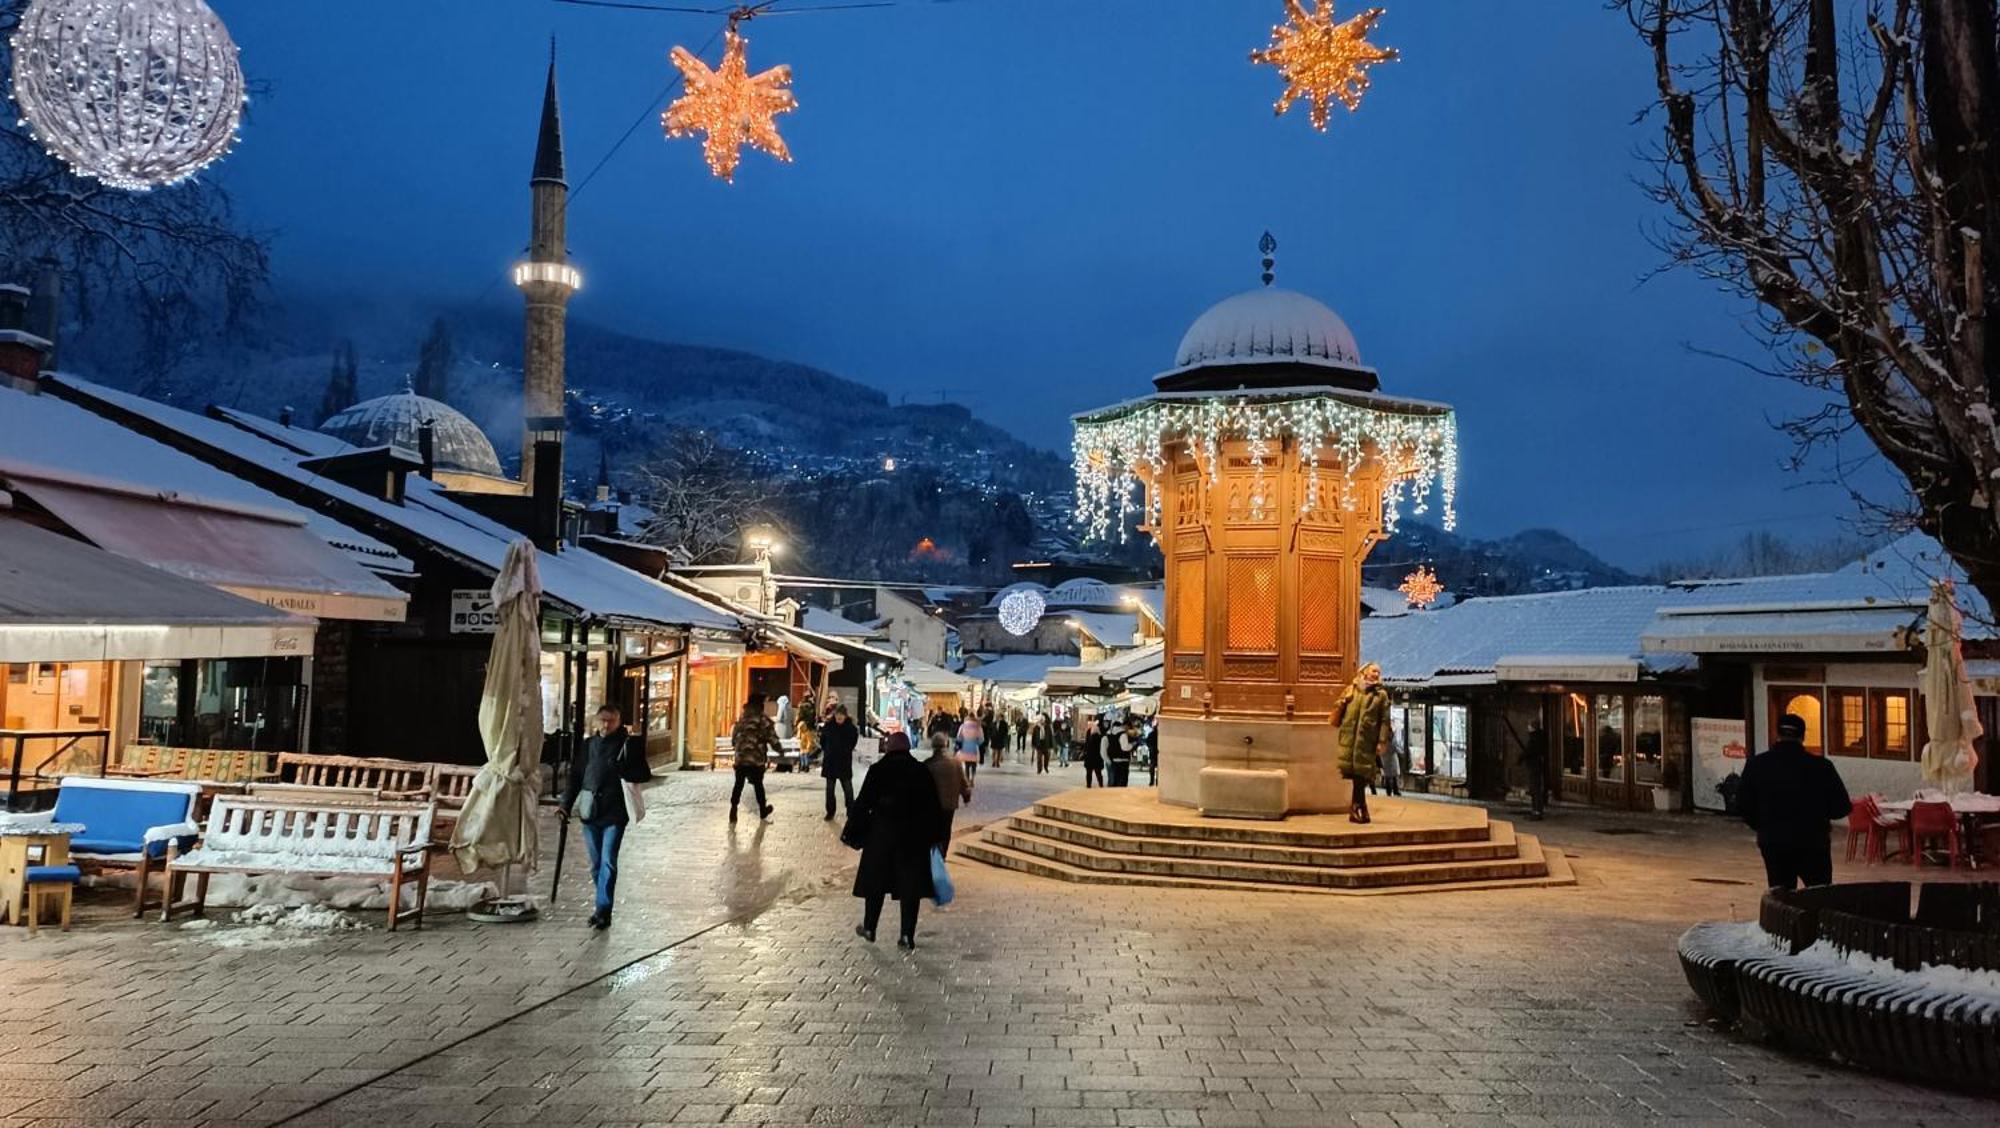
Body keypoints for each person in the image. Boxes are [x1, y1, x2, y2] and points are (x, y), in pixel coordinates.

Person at [1737, 713, 1852, 889]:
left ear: (1777, 734)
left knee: (1782, 897)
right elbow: (1842, 807)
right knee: (1818, 895)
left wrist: (1763, 825)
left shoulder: (1757, 765)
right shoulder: (1821, 767)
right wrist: (1818, 816)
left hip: (1774, 842)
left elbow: (1743, 805)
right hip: (1813, 842)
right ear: (1803, 736)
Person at [851, 729, 943, 949]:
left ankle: (870, 927)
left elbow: (863, 803)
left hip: (881, 835)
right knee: (910, 888)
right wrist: (935, 836)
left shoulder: (878, 770)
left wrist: (854, 834)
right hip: (913, 837)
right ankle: (906, 936)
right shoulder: (920, 771)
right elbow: (932, 806)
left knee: (876, 884)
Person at [562, 704, 644, 929]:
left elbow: (643, 773)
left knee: (608, 861)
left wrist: (626, 766)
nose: (606, 725)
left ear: (618, 722)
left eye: (611, 721)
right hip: (590, 810)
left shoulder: (626, 745)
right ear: (597, 721)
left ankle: (603, 909)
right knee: (596, 863)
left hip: (615, 813)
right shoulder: (589, 745)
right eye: (603, 720)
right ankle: (601, 906)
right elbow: (576, 776)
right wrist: (565, 805)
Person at [1334, 663, 1391, 824]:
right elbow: (1339, 707)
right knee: (1355, 775)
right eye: (1373, 670)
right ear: (1365, 671)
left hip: (1367, 740)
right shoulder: (1352, 689)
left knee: (1362, 775)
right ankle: (1360, 807)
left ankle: (1356, 807)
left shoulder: (1381, 695)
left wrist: (1381, 741)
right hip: (1350, 739)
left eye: (1378, 672)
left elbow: (1385, 720)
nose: (1376, 674)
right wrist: (1343, 702)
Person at [730, 693, 778, 824]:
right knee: (758, 784)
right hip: (755, 758)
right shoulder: (762, 719)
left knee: (738, 784)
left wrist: (738, 747)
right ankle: (762, 809)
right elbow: (772, 737)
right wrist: (779, 749)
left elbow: (734, 737)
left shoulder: (743, 718)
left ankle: (733, 809)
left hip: (741, 757)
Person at [926, 731, 973, 856]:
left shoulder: (928, 764)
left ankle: (933, 855)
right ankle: (942, 855)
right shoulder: (956, 763)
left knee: (932, 830)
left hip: (932, 805)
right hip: (949, 804)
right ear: (946, 745)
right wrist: (966, 797)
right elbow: (964, 783)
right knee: (946, 830)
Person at [819, 703, 859, 821]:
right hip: (830, 761)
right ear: (834, 715)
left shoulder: (851, 728)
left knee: (847, 788)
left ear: (845, 716)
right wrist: (828, 750)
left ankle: (850, 811)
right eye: (837, 715)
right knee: (830, 789)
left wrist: (846, 751)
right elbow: (823, 741)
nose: (839, 717)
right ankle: (830, 811)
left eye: (841, 715)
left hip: (844, 761)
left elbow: (853, 742)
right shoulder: (828, 726)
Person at [1522, 718, 1549, 819]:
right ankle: (1537, 810)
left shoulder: (1534, 738)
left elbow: (1530, 750)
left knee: (1535, 788)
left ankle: (1536, 811)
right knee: (1536, 788)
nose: (1527, 727)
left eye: (1529, 726)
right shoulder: (1540, 737)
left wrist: (1522, 757)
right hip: (1538, 764)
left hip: (1534, 765)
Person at [1108, 715, 1140, 787]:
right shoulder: (1122, 735)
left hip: (1114, 760)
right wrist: (1132, 745)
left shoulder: (1112, 733)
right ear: (1126, 726)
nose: (1128, 730)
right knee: (1122, 782)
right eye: (1128, 728)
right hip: (1122, 761)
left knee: (1115, 781)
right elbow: (1125, 747)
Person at [956, 711, 985, 783]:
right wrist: (977, 743)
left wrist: (962, 742)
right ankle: (972, 778)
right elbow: (981, 739)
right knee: (973, 765)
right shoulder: (978, 726)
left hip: (965, 747)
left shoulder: (963, 726)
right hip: (974, 748)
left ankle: (967, 779)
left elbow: (959, 737)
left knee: (967, 765)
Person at [1082, 715, 1106, 788]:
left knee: (1090, 772)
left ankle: (1089, 785)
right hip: (1097, 755)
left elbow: (1086, 743)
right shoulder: (1100, 732)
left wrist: (1085, 752)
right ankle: (1100, 785)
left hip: (1090, 755)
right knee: (1097, 772)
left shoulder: (1090, 731)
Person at [1380, 727, 1404, 797]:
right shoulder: (1388, 741)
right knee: (1390, 776)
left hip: (1388, 759)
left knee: (1392, 776)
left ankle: (1393, 791)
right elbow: (1395, 748)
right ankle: (1391, 791)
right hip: (1388, 759)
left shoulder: (1386, 740)